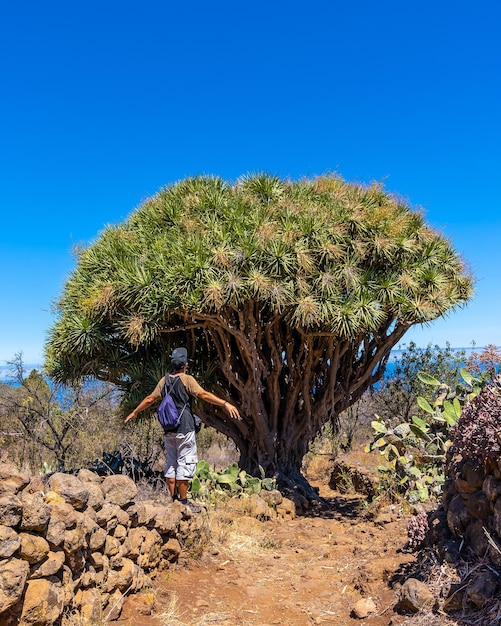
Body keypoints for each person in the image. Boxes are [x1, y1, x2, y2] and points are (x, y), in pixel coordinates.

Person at [125, 347, 240, 510]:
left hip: (168, 429)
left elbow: (150, 398)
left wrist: (135, 412)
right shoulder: (187, 379)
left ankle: (173, 500)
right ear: (185, 364)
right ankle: (184, 502)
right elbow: (204, 395)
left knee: (171, 463)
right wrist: (224, 403)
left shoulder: (163, 381)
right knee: (185, 463)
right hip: (185, 428)